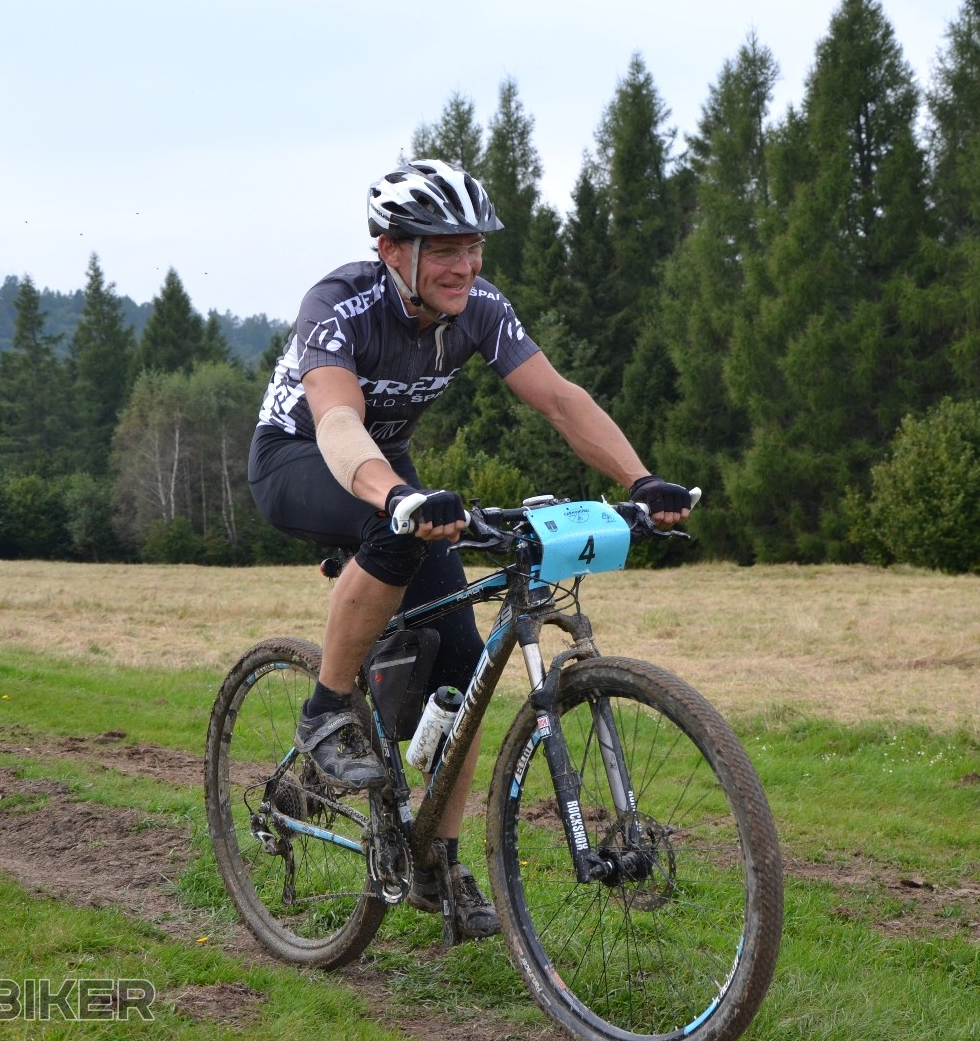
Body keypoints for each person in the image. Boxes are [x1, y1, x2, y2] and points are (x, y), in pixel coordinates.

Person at [248, 159, 693, 939]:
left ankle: (435, 862)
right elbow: (337, 420)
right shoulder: (339, 303)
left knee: (461, 664)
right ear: (392, 250)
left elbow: (558, 399)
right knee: (391, 533)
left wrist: (641, 478)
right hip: (301, 457)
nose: (465, 265)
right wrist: (394, 496)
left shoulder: (479, 308)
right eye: (445, 250)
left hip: (389, 470)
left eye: (473, 247)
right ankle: (324, 711)